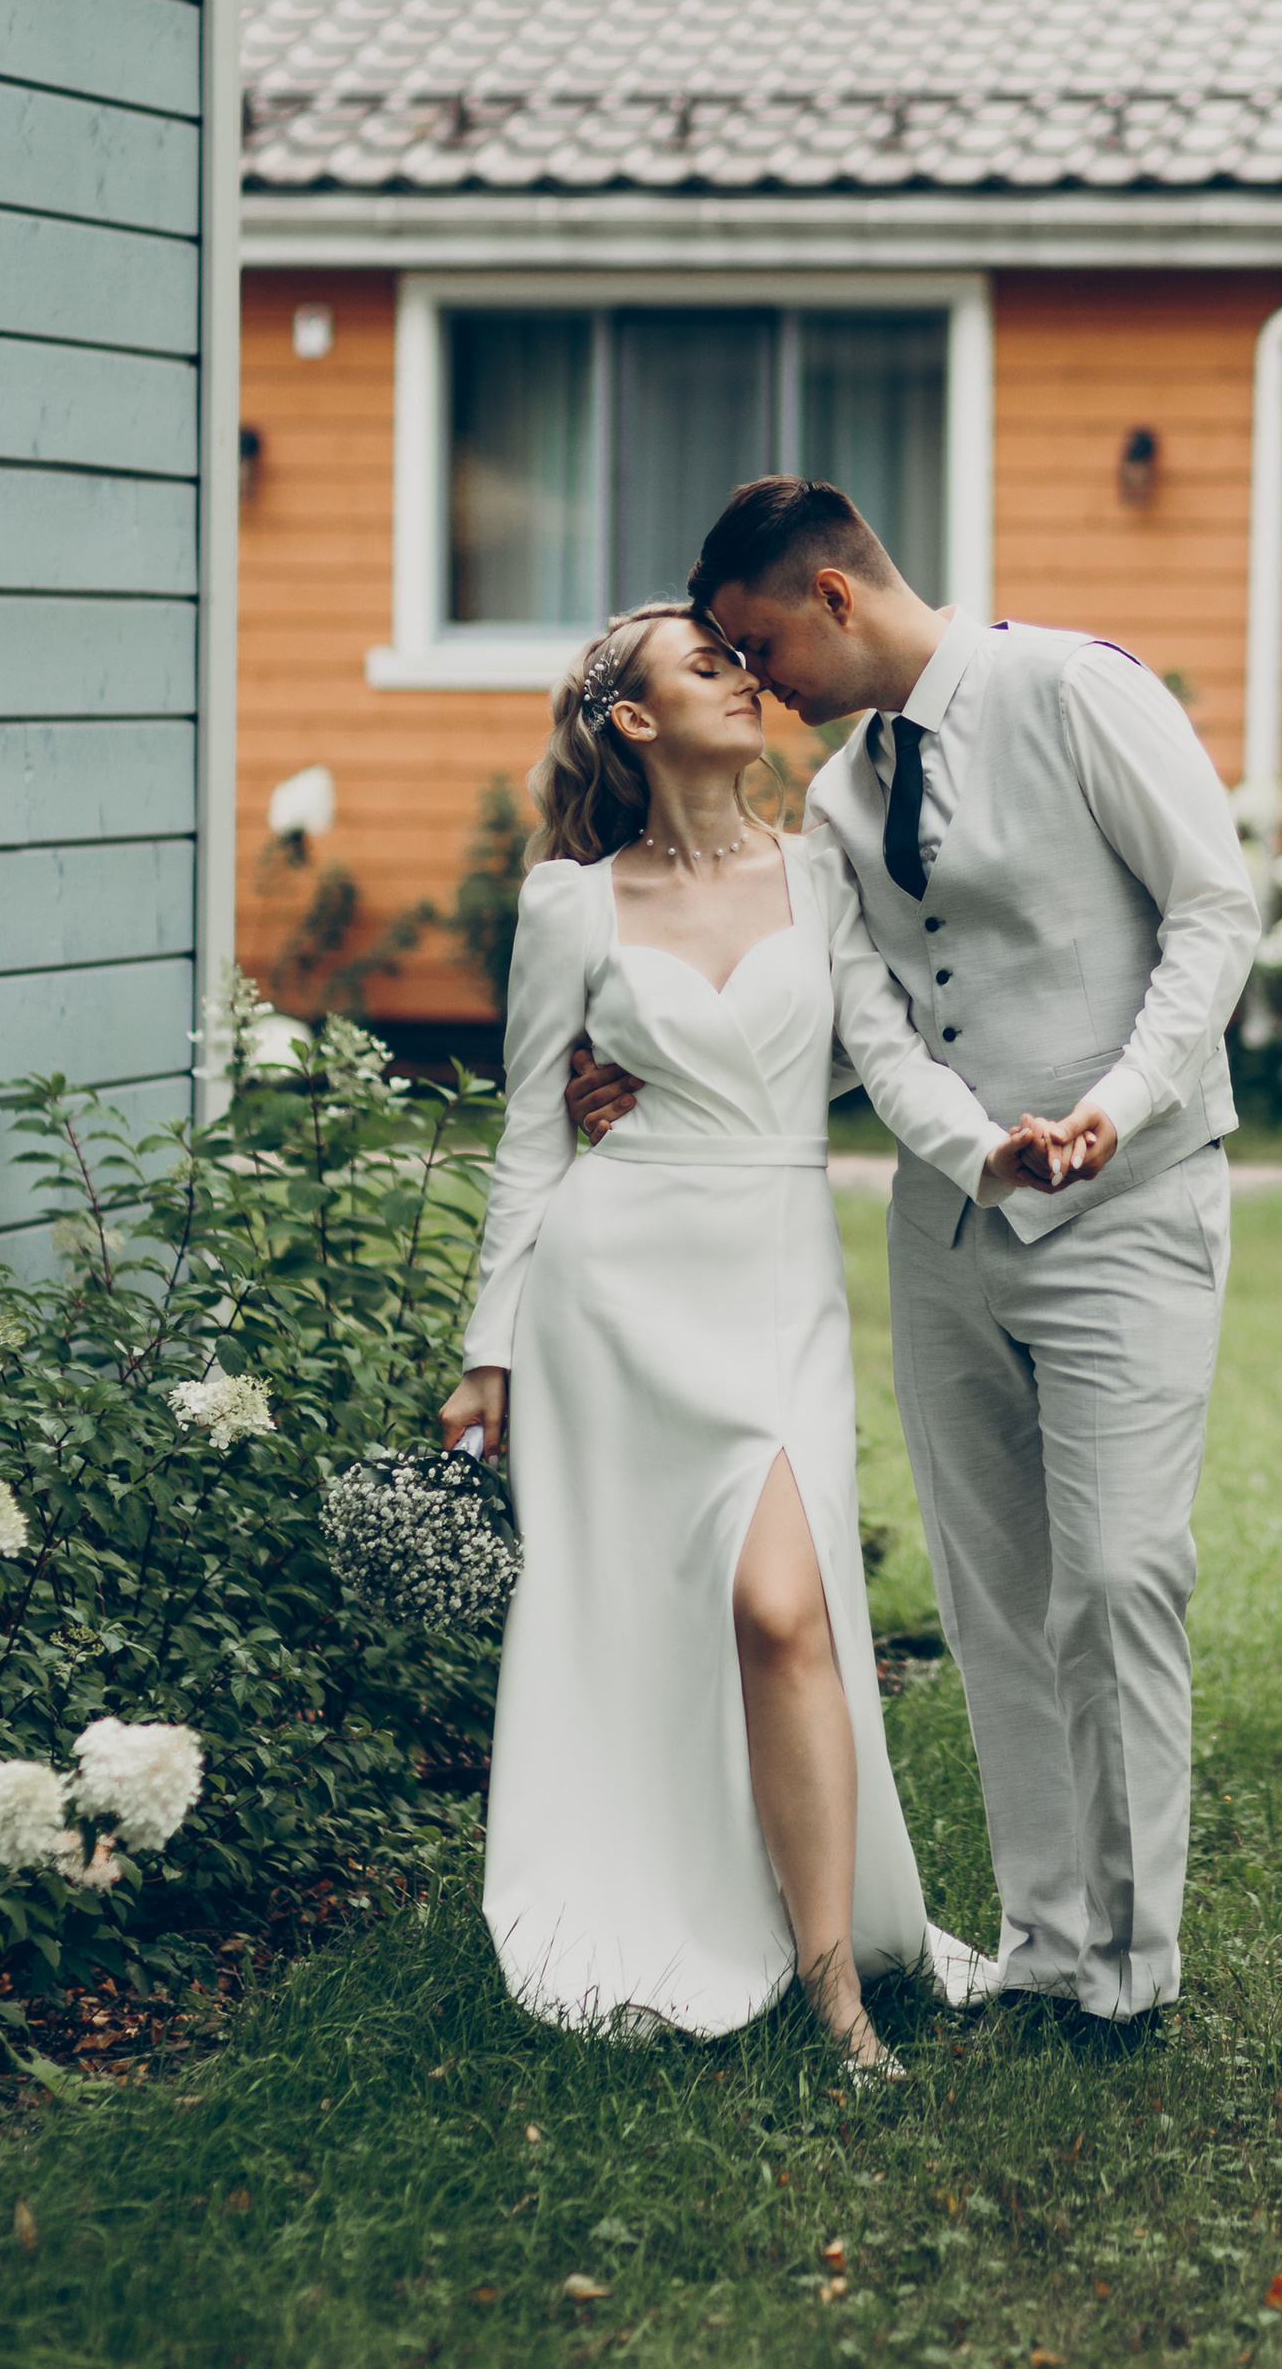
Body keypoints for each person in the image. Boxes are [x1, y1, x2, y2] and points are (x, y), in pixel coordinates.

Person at [572, 483, 1261, 2041]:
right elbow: (854, 1021)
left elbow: (1215, 914)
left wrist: (1112, 1105)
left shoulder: (1075, 690)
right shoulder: (837, 803)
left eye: (757, 648)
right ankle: (1043, 1947)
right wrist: (643, 1071)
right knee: (995, 1598)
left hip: (1134, 1207)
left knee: (1121, 1574)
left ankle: (1131, 1972)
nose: (757, 690)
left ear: (830, 592)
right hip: (949, 1235)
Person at [439, 602, 1043, 2072]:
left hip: (771, 1281)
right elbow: (531, 1138)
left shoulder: (820, 869)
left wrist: (983, 1155)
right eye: (705, 666)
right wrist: (489, 1348)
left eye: (739, 661)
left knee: (788, 1613)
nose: (743, 678)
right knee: (645, 1617)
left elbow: (878, 1056)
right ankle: (700, 1918)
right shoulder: (568, 907)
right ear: (633, 721)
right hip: (614, 1291)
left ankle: (836, 1994)